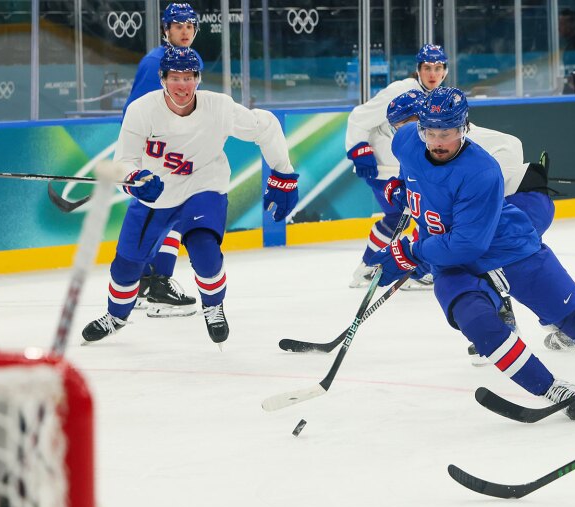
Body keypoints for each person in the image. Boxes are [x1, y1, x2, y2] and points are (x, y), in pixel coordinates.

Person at [364, 87, 575, 420]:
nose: (438, 141)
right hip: (452, 263)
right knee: (478, 324)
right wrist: (403, 187)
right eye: (430, 133)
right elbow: (415, 172)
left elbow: (466, 244)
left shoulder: (481, 172)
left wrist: (412, 250)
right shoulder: (406, 143)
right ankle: (550, 387)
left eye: (446, 133)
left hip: (506, 248)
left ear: (463, 129)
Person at [80, 47, 299, 347]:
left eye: (188, 77)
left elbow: (266, 126)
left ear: (198, 78)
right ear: (162, 79)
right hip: (157, 195)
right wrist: (134, 181)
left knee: (204, 249)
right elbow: (124, 161)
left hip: (203, 186)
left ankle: (213, 306)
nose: (182, 85)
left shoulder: (218, 108)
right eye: (174, 78)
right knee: (126, 265)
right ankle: (117, 316)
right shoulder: (142, 111)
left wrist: (283, 174)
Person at [381, 90, 575, 361]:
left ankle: (557, 319)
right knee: (473, 259)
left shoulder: (465, 144)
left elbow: (467, 212)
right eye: (396, 128)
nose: (404, 134)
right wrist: (404, 185)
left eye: (405, 125)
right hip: (501, 208)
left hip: (524, 203)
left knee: (494, 262)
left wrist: (417, 253)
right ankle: (551, 319)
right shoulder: (426, 143)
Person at [119, 3, 207, 316]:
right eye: (177, 26)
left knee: (165, 219)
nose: (184, 32)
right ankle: (156, 284)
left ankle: (148, 282)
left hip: (174, 157)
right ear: (166, 29)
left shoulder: (191, 61)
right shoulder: (155, 62)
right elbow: (136, 113)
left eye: (189, 26)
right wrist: (139, 161)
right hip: (157, 159)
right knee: (168, 216)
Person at [344, 44, 449, 288]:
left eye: (438, 68)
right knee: (416, 214)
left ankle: (370, 267)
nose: (432, 73)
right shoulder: (401, 90)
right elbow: (359, 116)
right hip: (382, 167)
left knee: (399, 216)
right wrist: (359, 149)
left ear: (445, 70)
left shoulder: (440, 96)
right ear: (417, 70)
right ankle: (410, 269)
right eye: (427, 68)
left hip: (406, 169)